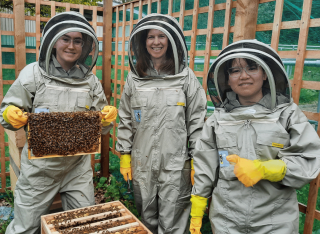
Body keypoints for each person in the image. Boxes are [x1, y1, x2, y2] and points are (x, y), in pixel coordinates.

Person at [0, 12, 117, 234]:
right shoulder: (32, 74)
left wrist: (106, 119)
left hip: (78, 168)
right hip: (40, 170)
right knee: (25, 228)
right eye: (66, 39)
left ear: (85, 46)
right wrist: (9, 115)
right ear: (54, 42)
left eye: (77, 41)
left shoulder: (90, 81)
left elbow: (100, 125)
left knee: (83, 225)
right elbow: (6, 114)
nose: (71, 46)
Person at [189, 39, 320, 234]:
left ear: (265, 74)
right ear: (228, 79)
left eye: (252, 68)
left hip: (275, 221)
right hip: (226, 220)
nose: (244, 76)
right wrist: (197, 210)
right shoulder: (217, 119)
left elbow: (309, 160)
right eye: (235, 71)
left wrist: (266, 169)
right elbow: (204, 166)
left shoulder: (288, 114)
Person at [116, 13, 207, 234]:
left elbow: (196, 121)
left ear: (171, 41)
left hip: (176, 164)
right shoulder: (134, 77)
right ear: (142, 42)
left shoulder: (186, 77)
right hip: (142, 162)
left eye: (161, 36)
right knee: (146, 217)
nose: (156, 42)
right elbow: (126, 117)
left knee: (173, 221)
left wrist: (196, 159)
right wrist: (125, 154)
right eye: (150, 37)